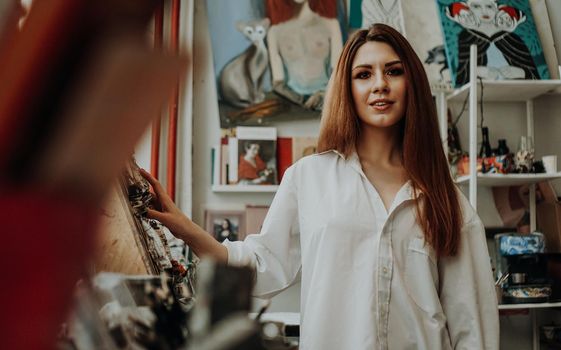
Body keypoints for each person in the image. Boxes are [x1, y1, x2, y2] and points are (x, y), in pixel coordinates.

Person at [141, 23, 499, 349]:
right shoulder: (308, 177)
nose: (380, 85)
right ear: (347, 87)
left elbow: (471, 320)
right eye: (364, 74)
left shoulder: (445, 197)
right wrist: (185, 228)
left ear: (413, 84)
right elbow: (261, 266)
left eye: (394, 71)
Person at [266, 0, 343, 110]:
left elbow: (339, 72)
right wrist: (302, 101)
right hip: (293, 104)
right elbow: (278, 83)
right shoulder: (275, 32)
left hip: (329, 101)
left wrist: (324, 95)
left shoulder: (330, 24)